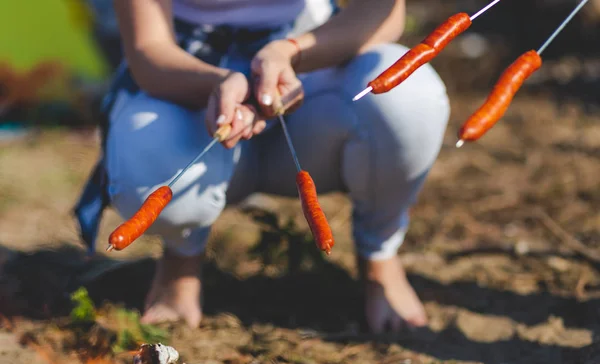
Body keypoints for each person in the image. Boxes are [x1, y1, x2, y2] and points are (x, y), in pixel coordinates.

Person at [74, 0, 450, 334]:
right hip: (190, 77)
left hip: (316, 71)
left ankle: (380, 256)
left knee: (407, 96)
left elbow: (382, 11)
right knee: (145, 155)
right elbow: (148, 49)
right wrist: (218, 83)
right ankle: (180, 258)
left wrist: (292, 53)